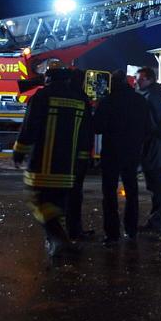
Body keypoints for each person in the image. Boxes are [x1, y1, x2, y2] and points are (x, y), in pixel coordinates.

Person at [13, 62, 92, 257]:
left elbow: (29, 127)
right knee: (57, 205)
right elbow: (86, 135)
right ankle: (58, 241)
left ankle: (59, 242)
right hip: (68, 169)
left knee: (39, 203)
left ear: (49, 78)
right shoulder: (81, 99)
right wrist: (82, 162)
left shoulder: (41, 97)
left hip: (42, 167)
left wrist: (19, 151)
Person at [93, 70, 152, 244]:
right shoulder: (140, 101)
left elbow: (97, 127)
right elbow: (148, 128)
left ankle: (112, 234)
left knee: (109, 194)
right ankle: (131, 230)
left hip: (111, 152)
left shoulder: (108, 101)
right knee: (132, 192)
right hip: (132, 152)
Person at [137, 66, 161, 232]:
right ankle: (158, 220)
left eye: (141, 78)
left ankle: (158, 221)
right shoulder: (152, 95)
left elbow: (160, 121)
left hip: (155, 147)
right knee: (156, 184)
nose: (138, 81)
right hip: (155, 146)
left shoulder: (152, 97)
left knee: (158, 185)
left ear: (150, 79)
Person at [65, 68, 95, 240]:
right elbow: (88, 130)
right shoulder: (82, 99)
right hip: (78, 156)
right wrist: (88, 154)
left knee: (62, 194)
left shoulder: (62, 95)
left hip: (61, 156)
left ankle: (62, 231)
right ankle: (74, 231)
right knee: (75, 194)